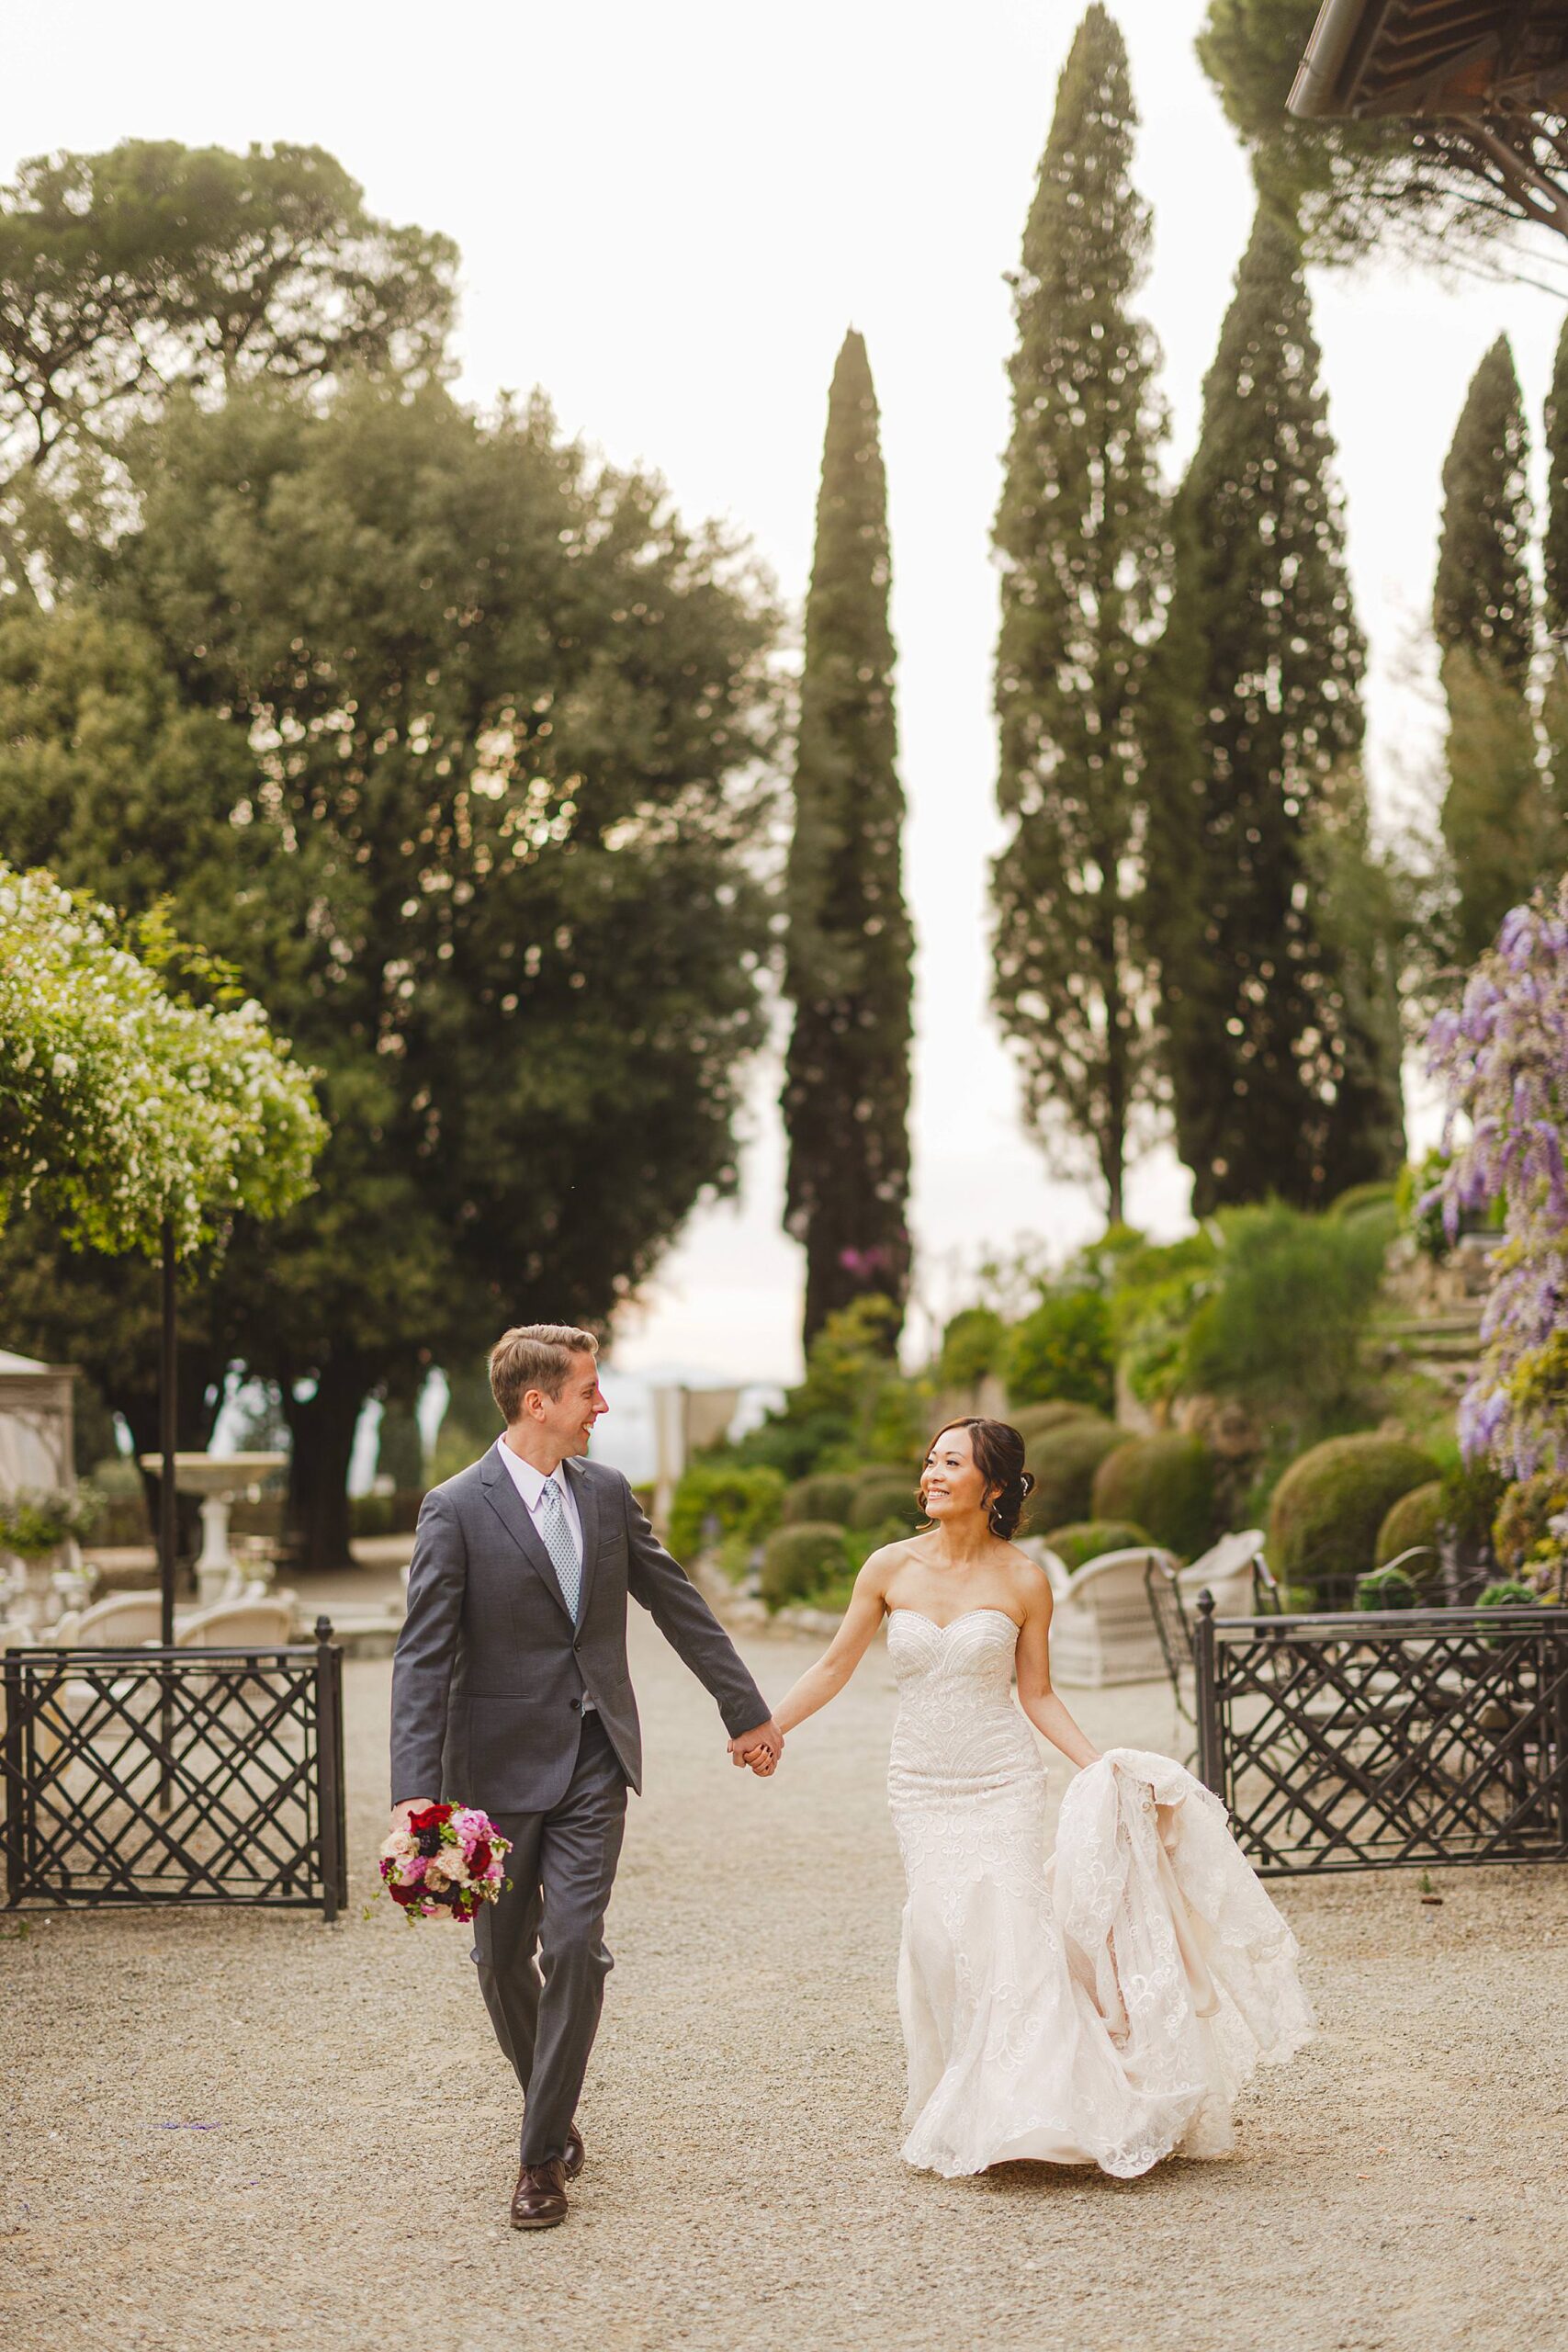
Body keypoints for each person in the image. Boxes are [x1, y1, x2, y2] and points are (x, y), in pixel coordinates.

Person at [762, 1416, 1312, 2177]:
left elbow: (1039, 1693)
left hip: (1001, 1782)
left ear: (990, 1486)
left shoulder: (1023, 1579)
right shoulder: (887, 1567)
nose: (929, 1473)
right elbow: (831, 1666)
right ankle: (975, 2091)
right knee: (934, 1931)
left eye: (949, 1463)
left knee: (1013, 1932)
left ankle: (1036, 2108)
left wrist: (1099, 1768)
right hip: (921, 1783)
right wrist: (767, 1728)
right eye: (928, 1459)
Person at [388, 1323, 784, 2230]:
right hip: (484, 1775)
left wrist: (746, 1709)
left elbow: (674, 1597)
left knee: (572, 1947)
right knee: (496, 1960)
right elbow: (421, 1658)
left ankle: (537, 2162)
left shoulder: (606, 1494)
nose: (601, 1407)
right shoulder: (454, 1508)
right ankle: (555, 2109)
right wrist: (415, 1788)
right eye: (589, 1392)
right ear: (540, 1403)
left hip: (594, 1757)